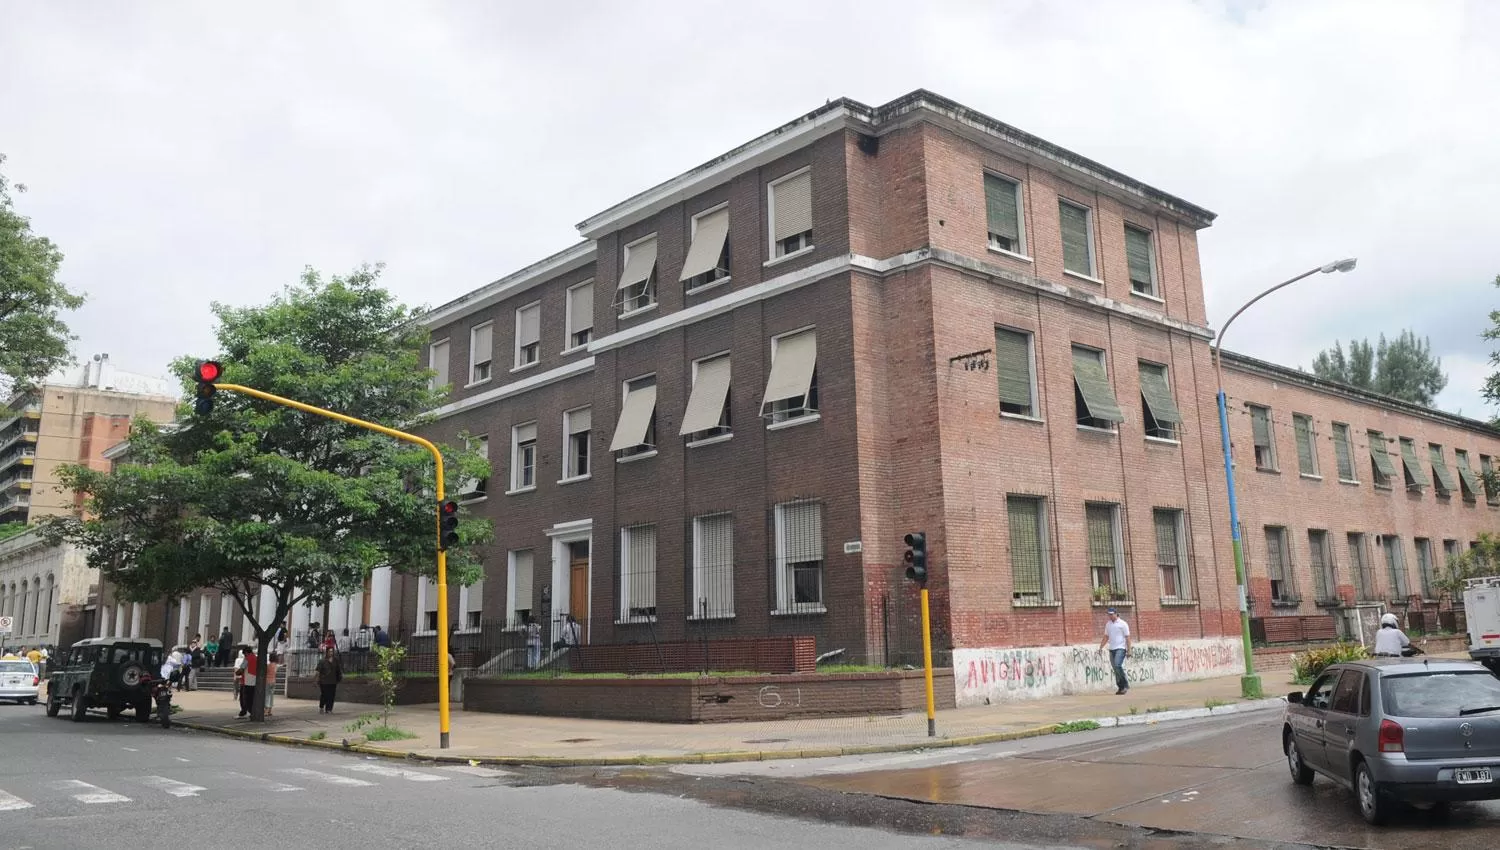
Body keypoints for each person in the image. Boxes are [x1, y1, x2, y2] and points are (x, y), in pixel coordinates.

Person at [1097, 607, 1132, 695]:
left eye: (1112, 614)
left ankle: (1125, 684)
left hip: (1121, 648)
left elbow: (1127, 637)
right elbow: (1106, 636)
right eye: (1109, 614)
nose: (1110, 616)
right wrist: (1101, 647)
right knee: (1115, 669)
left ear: (1116, 614)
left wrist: (1129, 650)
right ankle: (1120, 687)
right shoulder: (1108, 624)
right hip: (1112, 649)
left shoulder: (1123, 624)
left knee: (1117, 665)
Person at [315, 646, 342, 714]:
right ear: (327, 652)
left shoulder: (335, 660)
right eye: (330, 651)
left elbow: (338, 670)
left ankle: (329, 709)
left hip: (333, 681)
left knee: (331, 695)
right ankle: (321, 707)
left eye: (332, 651)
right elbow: (318, 671)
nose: (331, 653)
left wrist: (339, 677)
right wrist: (317, 679)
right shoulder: (322, 661)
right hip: (324, 681)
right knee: (325, 695)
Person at [236, 645, 258, 718]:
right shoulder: (255, 657)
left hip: (247, 681)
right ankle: (251, 712)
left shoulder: (247, 658)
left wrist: (237, 672)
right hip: (254, 681)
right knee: (251, 698)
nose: (244, 656)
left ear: (246, 653)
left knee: (244, 698)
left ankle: (244, 711)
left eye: (244, 654)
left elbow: (241, 669)